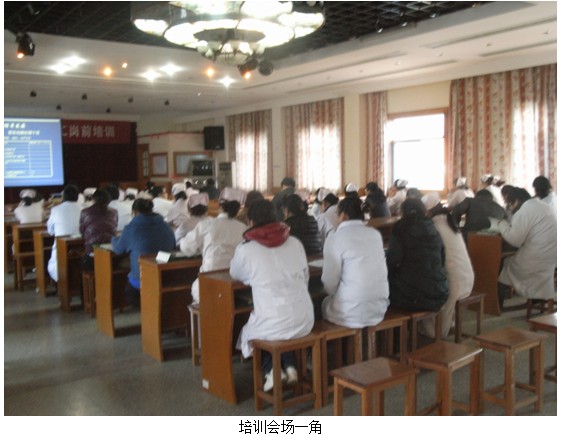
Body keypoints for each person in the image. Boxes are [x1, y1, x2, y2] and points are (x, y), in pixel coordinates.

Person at [230, 200, 314, 391]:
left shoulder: (246, 249)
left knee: (252, 332)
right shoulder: (294, 242)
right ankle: (290, 366)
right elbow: (305, 277)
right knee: (276, 329)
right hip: (304, 318)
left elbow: (236, 273)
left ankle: (272, 372)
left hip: (273, 319)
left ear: (250, 222)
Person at [322, 197, 389, 328]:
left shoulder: (335, 238)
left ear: (343, 215)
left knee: (323, 303)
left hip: (349, 312)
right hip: (379, 307)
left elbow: (329, 284)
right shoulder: (375, 234)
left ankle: (340, 340)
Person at [489, 187, 557, 305]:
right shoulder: (544, 207)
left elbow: (515, 240)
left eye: (511, 204)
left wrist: (501, 224)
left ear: (517, 201)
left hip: (534, 261)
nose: (511, 208)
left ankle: (496, 303)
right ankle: (537, 297)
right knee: (511, 258)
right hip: (550, 260)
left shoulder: (525, 211)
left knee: (501, 263)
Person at [179, 187, 247, 303]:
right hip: (234, 285)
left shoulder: (206, 225)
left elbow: (186, 247)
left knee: (199, 294)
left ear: (220, 206)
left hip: (208, 282)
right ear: (238, 209)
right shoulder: (243, 229)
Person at [421, 193, 474, 338]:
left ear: (427, 211)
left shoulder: (433, 226)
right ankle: (446, 325)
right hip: (467, 278)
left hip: (453, 283)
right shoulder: (449, 221)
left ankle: (435, 334)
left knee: (423, 293)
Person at [386, 198, 449, 311]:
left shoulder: (401, 227)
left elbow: (392, 260)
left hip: (415, 296)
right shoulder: (432, 227)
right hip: (440, 292)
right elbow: (442, 259)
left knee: (383, 288)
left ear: (403, 212)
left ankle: (394, 323)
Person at [111, 198, 175, 308]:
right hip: (164, 275)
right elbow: (173, 246)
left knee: (128, 274)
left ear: (134, 212)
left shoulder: (131, 228)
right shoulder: (166, 226)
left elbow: (118, 249)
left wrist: (113, 239)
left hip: (142, 278)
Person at [47, 184, 82, 282]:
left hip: (62, 247)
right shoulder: (83, 209)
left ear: (63, 197)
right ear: (77, 196)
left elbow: (50, 231)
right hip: (80, 248)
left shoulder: (55, 209)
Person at [79, 188, 118, 271]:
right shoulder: (114, 212)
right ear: (108, 200)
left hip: (92, 257)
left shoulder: (85, 212)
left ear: (93, 199)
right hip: (111, 257)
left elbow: (82, 232)